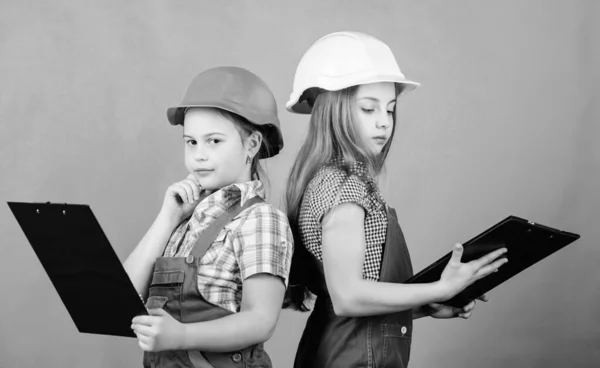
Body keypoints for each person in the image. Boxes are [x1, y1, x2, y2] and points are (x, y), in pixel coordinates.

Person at [283, 31, 508, 368]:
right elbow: (348, 297)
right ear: (332, 109)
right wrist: (439, 289)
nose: (383, 122)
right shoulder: (344, 186)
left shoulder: (338, 179)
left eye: (389, 110)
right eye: (368, 108)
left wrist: (430, 307)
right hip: (352, 357)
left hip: (349, 350)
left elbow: (365, 297)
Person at [124, 66, 294, 368]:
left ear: (252, 145)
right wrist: (167, 217)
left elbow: (260, 319)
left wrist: (181, 336)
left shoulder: (260, 220)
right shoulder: (182, 222)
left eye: (214, 141)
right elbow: (121, 297)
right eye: (191, 142)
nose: (199, 155)